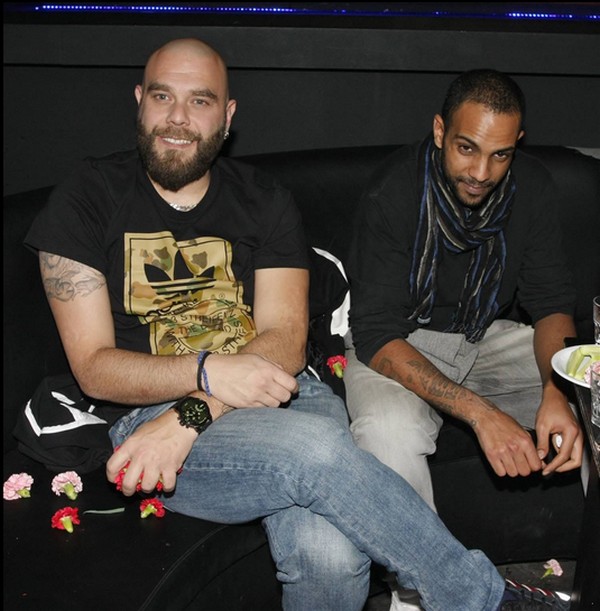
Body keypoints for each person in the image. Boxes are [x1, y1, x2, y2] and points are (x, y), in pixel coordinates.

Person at [24, 40, 569, 611]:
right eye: (163, 97)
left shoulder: (264, 200)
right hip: (152, 418)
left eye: (200, 101)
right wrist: (202, 382)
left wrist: (200, 406)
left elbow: (284, 345)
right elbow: (95, 369)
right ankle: (483, 599)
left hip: (276, 397)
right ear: (139, 101)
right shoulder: (87, 198)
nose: (179, 118)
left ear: (228, 116)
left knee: (331, 556)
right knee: (319, 447)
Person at [344, 69, 583, 610]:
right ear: (439, 131)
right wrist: (481, 414)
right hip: (397, 345)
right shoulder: (392, 192)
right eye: (466, 148)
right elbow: (376, 332)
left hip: (482, 337)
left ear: (517, 144)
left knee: (594, 389)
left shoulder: (532, 186)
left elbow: (551, 302)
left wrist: (558, 389)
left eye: (500, 155)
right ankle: (418, 595)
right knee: (387, 431)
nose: (480, 172)